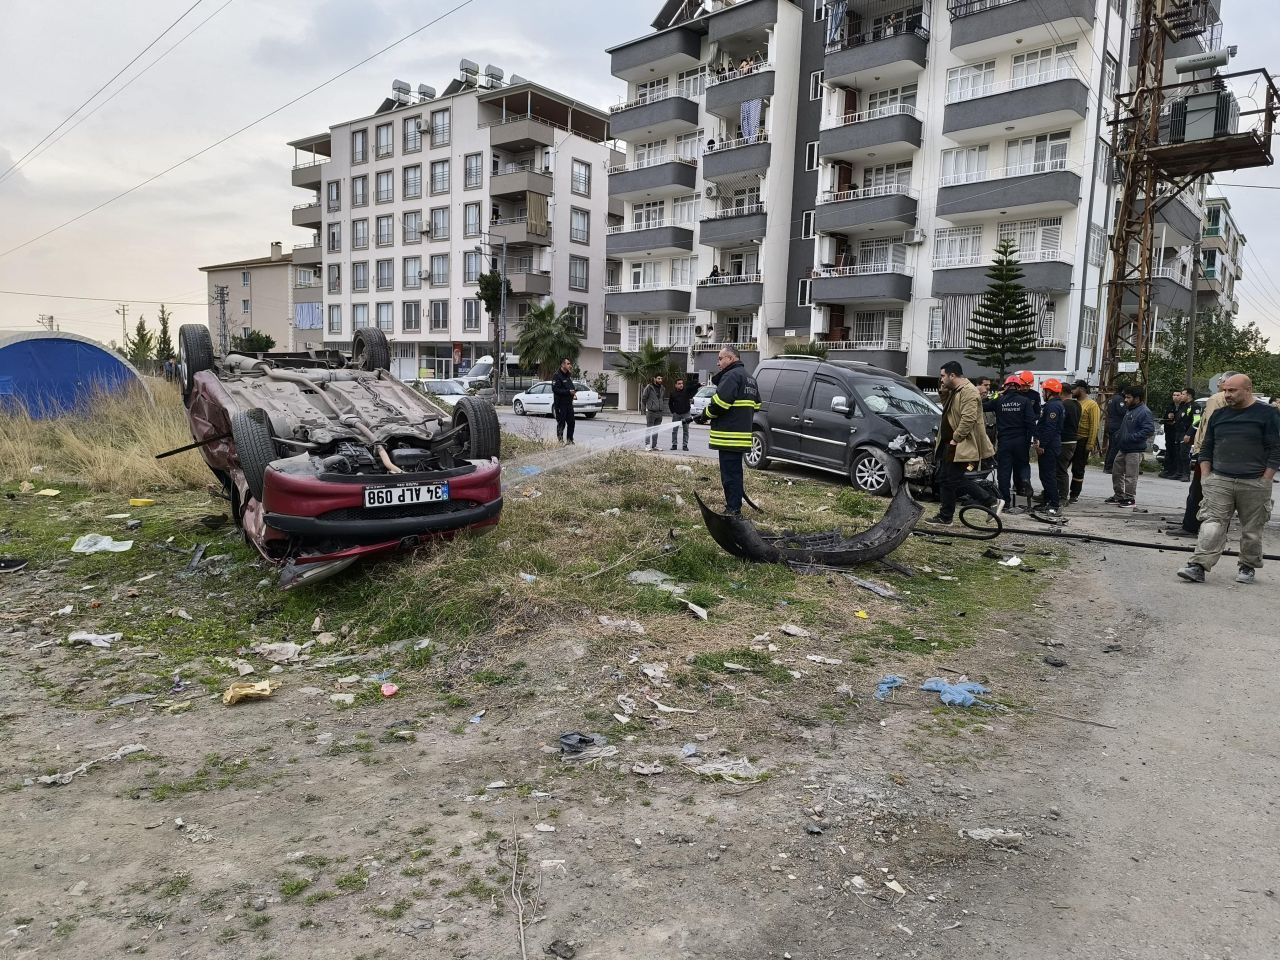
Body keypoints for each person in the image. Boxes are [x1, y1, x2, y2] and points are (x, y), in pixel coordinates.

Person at [1177, 374, 1280, 584]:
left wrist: (1266, 478)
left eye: (1232, 390)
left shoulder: (1268, 414)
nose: (1227, 394)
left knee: (1252, 529)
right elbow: (1207, 446)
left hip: (1254, 482)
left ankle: (1248, 566)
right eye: (1225, 390)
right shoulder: (1219, 415)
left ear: (1248, 390)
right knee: (1211, 524)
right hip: (1220, 480)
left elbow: (1275, 448)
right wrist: (1206, 475)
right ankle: (1198, 566)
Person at [926, 361, 1003, 525]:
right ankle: (945, 516)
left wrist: (956, 438)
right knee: (945, 478)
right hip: (951, 444)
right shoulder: (956, 390)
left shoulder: (968, 391)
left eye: (943, 376)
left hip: (961, 444)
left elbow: (968, 419)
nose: (941, 379)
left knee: (952, 479)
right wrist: (944, 392)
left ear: (952, 375)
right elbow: (949, 411)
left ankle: (990, 500)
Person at [694, 346, 760, 515]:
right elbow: (757, 405)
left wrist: (704, 415)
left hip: (729, 436)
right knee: (735, 474)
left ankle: (733, 510)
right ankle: (734, 505)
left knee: (730, 476)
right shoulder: (750, 378)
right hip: (741, 435)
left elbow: (720, 403)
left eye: (720, 359)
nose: (718, 363)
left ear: (731, 359)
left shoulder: (731, 376)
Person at [1169, 374, 1236, 538]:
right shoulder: (1239, 401)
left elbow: (1209, 427)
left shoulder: (1217, 399)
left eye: (1221, 382)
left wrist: (1202, 451)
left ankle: (1192, 526)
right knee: (1219, 493)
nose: (1219, 384)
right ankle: (1214, 528)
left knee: (1198, 491)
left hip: (1208, 453)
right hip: (1223, 454)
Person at [1106, 384, 1154, 507]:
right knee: (1116, 472)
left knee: (1131, 475)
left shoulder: (1144, 412)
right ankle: (1119, 495)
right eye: (1125, 397)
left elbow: (1148, 430)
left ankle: (1129, 498)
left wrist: (1131, 438)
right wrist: (1119, 436)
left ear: (1137, 398)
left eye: (1128, 397)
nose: (1125, 400)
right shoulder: (1130, 410)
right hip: (1123, 448)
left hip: (1134, 449)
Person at [994, 373, 1037, 511]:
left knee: (1004, 472)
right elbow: (1031, 421)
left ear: (1006, 386)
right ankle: (1024, 481)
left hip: (1005, 441)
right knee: (1023, 464)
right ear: (1018, 387)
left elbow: (983, 405)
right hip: (1021, 440)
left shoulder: (999, 400)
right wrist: (1035, 438)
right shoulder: (1024, 401)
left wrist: (996, 394)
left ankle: (1004, 501)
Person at [1034, 379, 1067, 518]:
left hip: (1049, 445)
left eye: (1043, 391)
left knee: (1048, 476)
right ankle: (1048, 500)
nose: (1042, 394)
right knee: (1046, 475)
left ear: (1049, 392)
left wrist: (1042, 445)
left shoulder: (1052, 407)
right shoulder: (1055, 404)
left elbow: (1049, 428)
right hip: (1052, 444)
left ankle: (1054, 503)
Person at [1068, 380, 1100, 503]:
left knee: (1078, 469)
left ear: (1081, 389)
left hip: (1083, 440)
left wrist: (1090, 444)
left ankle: (1074, 494)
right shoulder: (1074, 403)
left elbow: (1094, 425)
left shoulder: (1092, 405)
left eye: (1073, 389)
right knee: (1062, 467)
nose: (1071, 391)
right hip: (1071, 440)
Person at [1103, 381, 1129, 472]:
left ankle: (1107, 465)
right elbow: (1122, 412)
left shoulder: (1112, 398)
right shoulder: (1120, 399)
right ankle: (1109, 467)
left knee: (1111, 447)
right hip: (1117, 425)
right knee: (1115, 447)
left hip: (1111, 424)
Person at [551, 358, 577, 445]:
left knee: (571, 422)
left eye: (570, 363)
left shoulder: (568, 375)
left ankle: (570, 440)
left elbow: (570, 387)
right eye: (568, 363)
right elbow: (555, 389)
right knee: (561, 423)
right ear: (563, 365)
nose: (570, 365)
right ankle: (560, 441)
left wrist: (573, 393)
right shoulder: (557, 376)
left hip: (569, 404)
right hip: (560, 404)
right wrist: (568, 392)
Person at [640, 374, 666, 451]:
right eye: (658, 378)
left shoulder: (662, 388)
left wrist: (661, 408)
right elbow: (644, 398)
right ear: (654, 379)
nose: (660, 380)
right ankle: (647, 445)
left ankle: (654, 445)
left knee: (656, 430)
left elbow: (662, 399)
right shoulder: (649, 387)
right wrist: (644, 409)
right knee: (649, 429)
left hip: (659, 412)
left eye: (661, 378)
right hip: (651, 412)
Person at [668, 377, 692, 451]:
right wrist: (673, 412)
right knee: (674, 430)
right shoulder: (672, 393)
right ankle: (674, 445)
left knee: (686, 430)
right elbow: (670, 403)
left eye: (682, 383)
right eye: (679, 384)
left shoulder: (686, 391)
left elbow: (693, 387)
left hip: (686, 413)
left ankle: (685, 445)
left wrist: (699, 384)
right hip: (676, 414)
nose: (681, 385)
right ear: (676, 385)